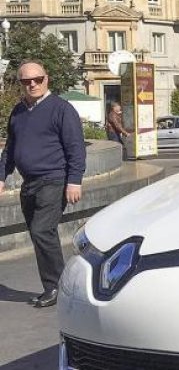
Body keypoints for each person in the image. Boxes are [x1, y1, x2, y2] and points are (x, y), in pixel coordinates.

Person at [0, 61, 86, 308]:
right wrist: (1, 176)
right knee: (39, 235)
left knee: (42, 230)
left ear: (46, 79)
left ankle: (57, 287)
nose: (32, 85)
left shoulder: (61, 109)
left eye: (37, 79)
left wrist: (74, 181)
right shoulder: (18, 112)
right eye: (26, 81)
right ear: (20, 84)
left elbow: (76, 148)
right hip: (30, 184)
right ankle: (55, 285)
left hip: (54, 179)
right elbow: (10, 150)